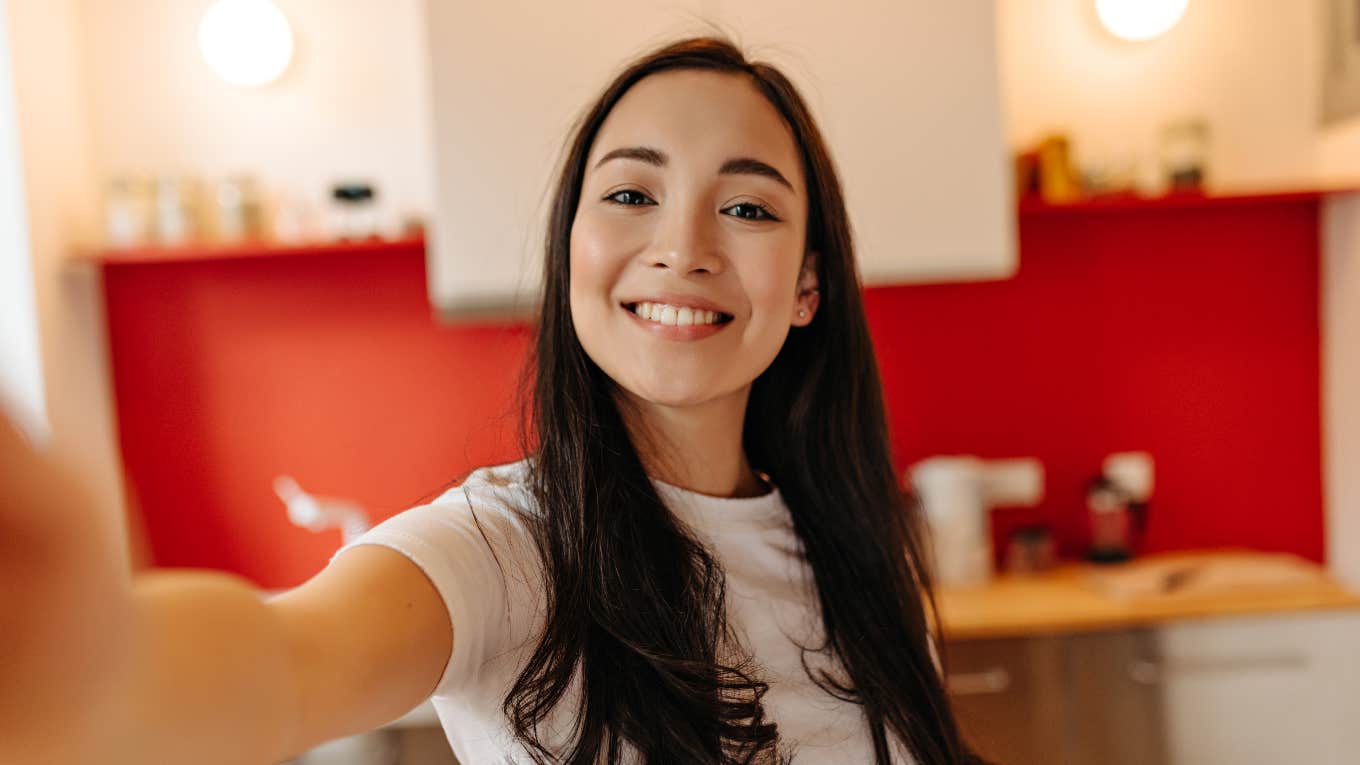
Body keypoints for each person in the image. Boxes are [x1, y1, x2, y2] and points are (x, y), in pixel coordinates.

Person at [0, 36, 988, 765]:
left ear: (807, 285)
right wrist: (77, 664)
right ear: (571, 256)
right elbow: (284, 659)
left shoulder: (858, 551)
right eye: (632, 195)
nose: (684, 246)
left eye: (746, 207)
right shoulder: (503, 547)